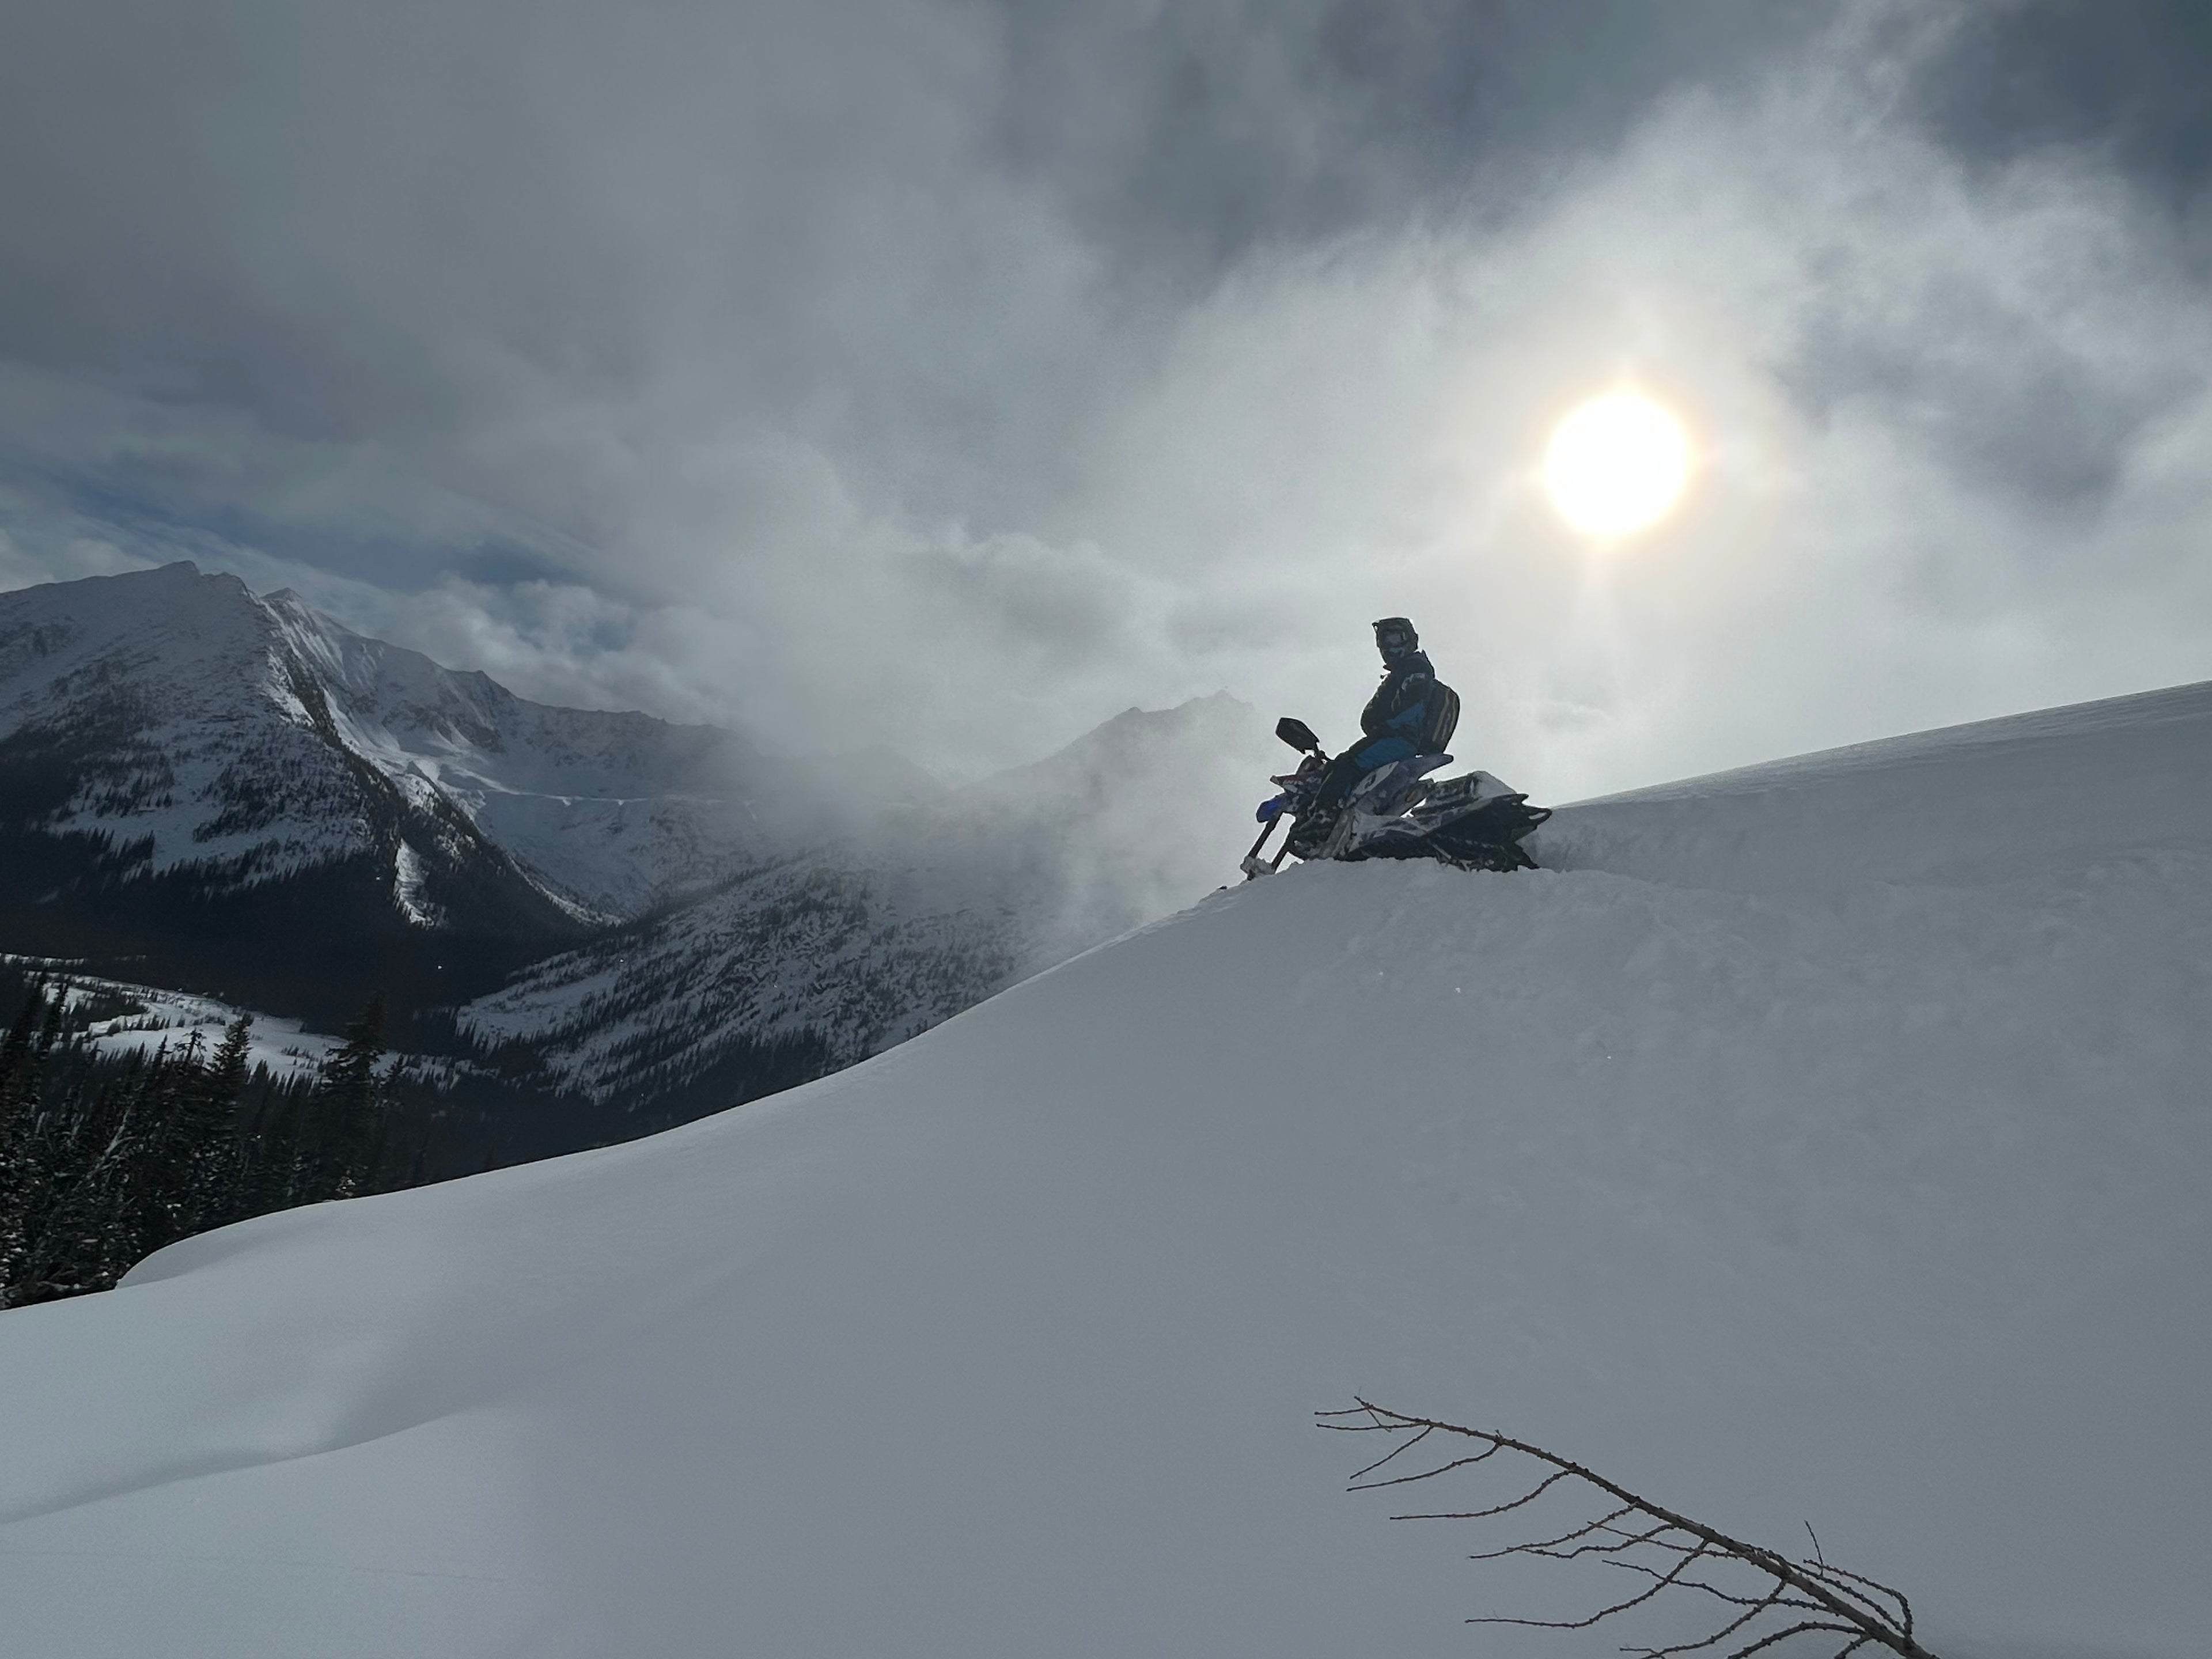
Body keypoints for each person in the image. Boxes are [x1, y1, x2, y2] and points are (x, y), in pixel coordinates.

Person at [1287, 616, 1459, 856]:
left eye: (1394, 638)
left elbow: (1412, 706)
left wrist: (1388, 726)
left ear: (1409, 639)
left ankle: (1324, 816)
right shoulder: (1403, 672)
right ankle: (1337, 817)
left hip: (1398, 739)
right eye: (1383, 641)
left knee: (1347, 763)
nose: (1389, 646)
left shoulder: (1415, 669)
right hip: (1395, 737)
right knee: (1346, 763)